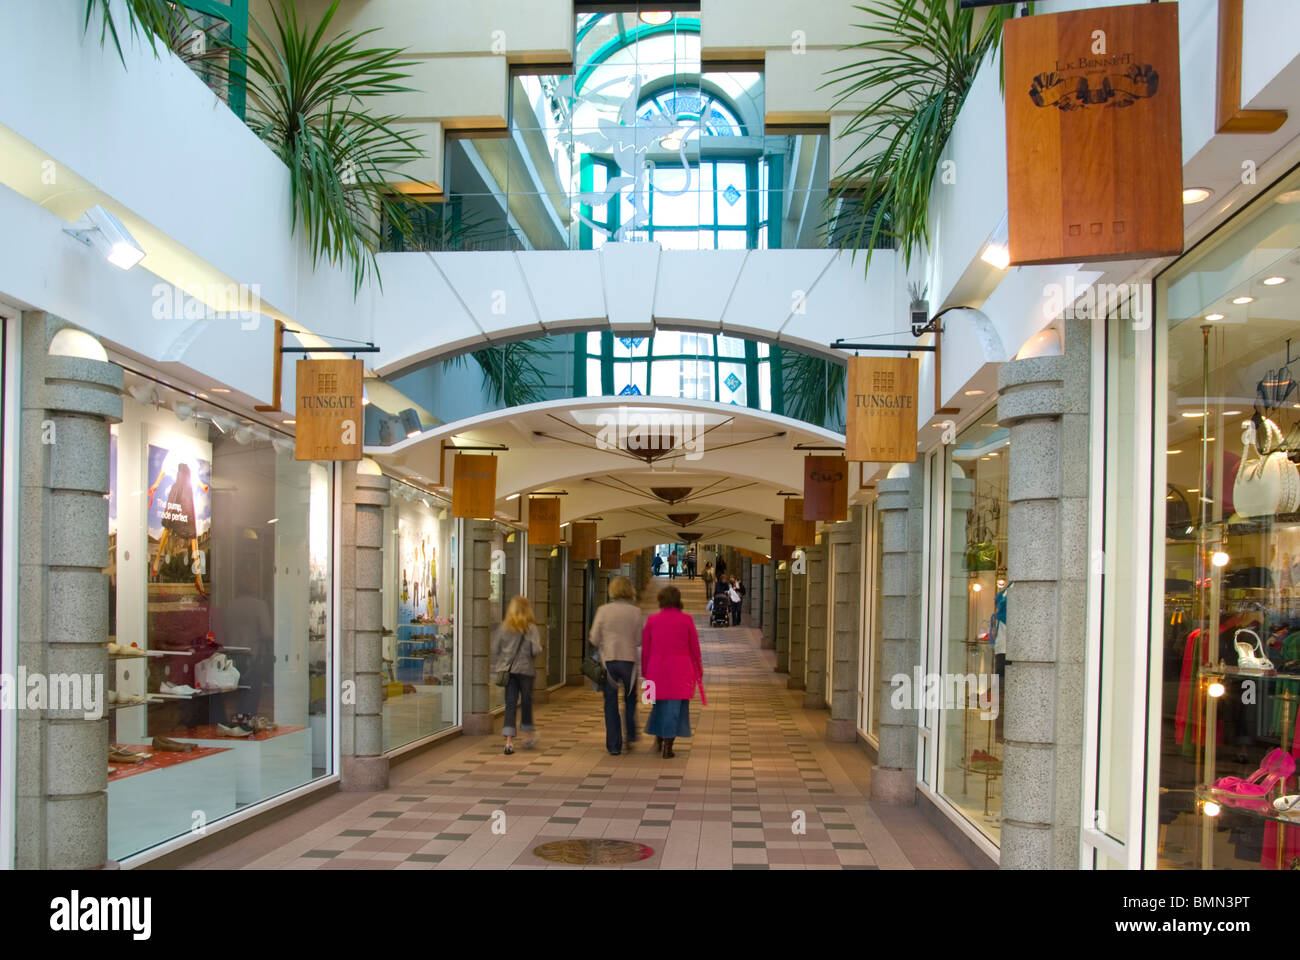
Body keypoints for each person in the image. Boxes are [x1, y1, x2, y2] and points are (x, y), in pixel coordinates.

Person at [641, 585, 703, 758]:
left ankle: (660, 737)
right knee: (676, 708)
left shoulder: (652, 620)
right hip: (681, 671)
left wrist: (645, 672)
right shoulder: (687, 620)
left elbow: (646, 649)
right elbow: (694, 648)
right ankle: (668, 744)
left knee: (658, 706)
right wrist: (699, 670)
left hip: (656, 670)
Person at [589, 576, 643, 755]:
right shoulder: (635, 612)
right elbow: (639, 639)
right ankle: (631, 735)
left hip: (609, 661)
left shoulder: (603, 610)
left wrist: (604, 643)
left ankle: (614, 745)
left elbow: (594, 637)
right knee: (629, 699)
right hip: (629, 662)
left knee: (610, 702)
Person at [491, 595, 543, 755]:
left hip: (509, 671)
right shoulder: (531, 628)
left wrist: (502, 661)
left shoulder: (504, 627)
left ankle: (508, 742)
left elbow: (495, 649)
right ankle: (528, 735)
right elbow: (536, 650)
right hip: (526, 671)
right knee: (526, 702)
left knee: (510, 704)